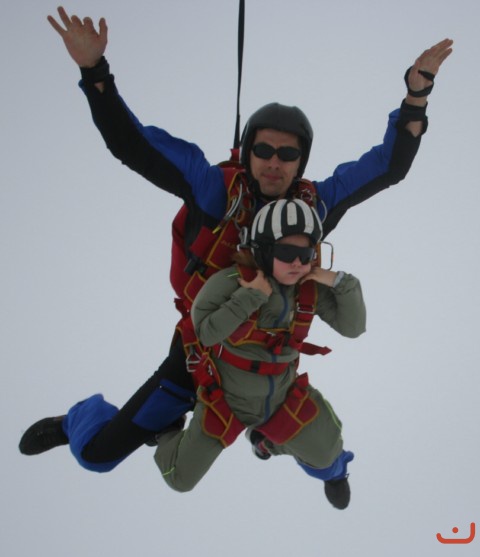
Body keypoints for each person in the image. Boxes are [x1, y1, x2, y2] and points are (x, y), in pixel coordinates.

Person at [19, 6, 452, 473]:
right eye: (262, 150)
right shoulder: (215, 193)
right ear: (247, 152)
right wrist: (94, 72)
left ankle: (316, 462)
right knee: (97, 456)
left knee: (326, 455)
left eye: (287, 154)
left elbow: (388, 167)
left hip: (270, 363)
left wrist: (417, 94)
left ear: (301, 163)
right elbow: (134, 145)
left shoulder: (314, 208)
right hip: (201, 353)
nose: (274, 162)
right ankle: (79, 421)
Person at [154, 198, 366, 509]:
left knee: (328, 452)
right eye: (286, 253)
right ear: (264, 250)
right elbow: (206, 332)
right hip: (226, 401)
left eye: (306, 254)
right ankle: (166, 432)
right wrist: (251, 296)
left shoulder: (307, 287)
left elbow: (353, 327)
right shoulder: (232, 281)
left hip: (281, 395)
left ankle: (271, 445)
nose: (297, 263)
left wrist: (340, 282)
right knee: (179, 478)